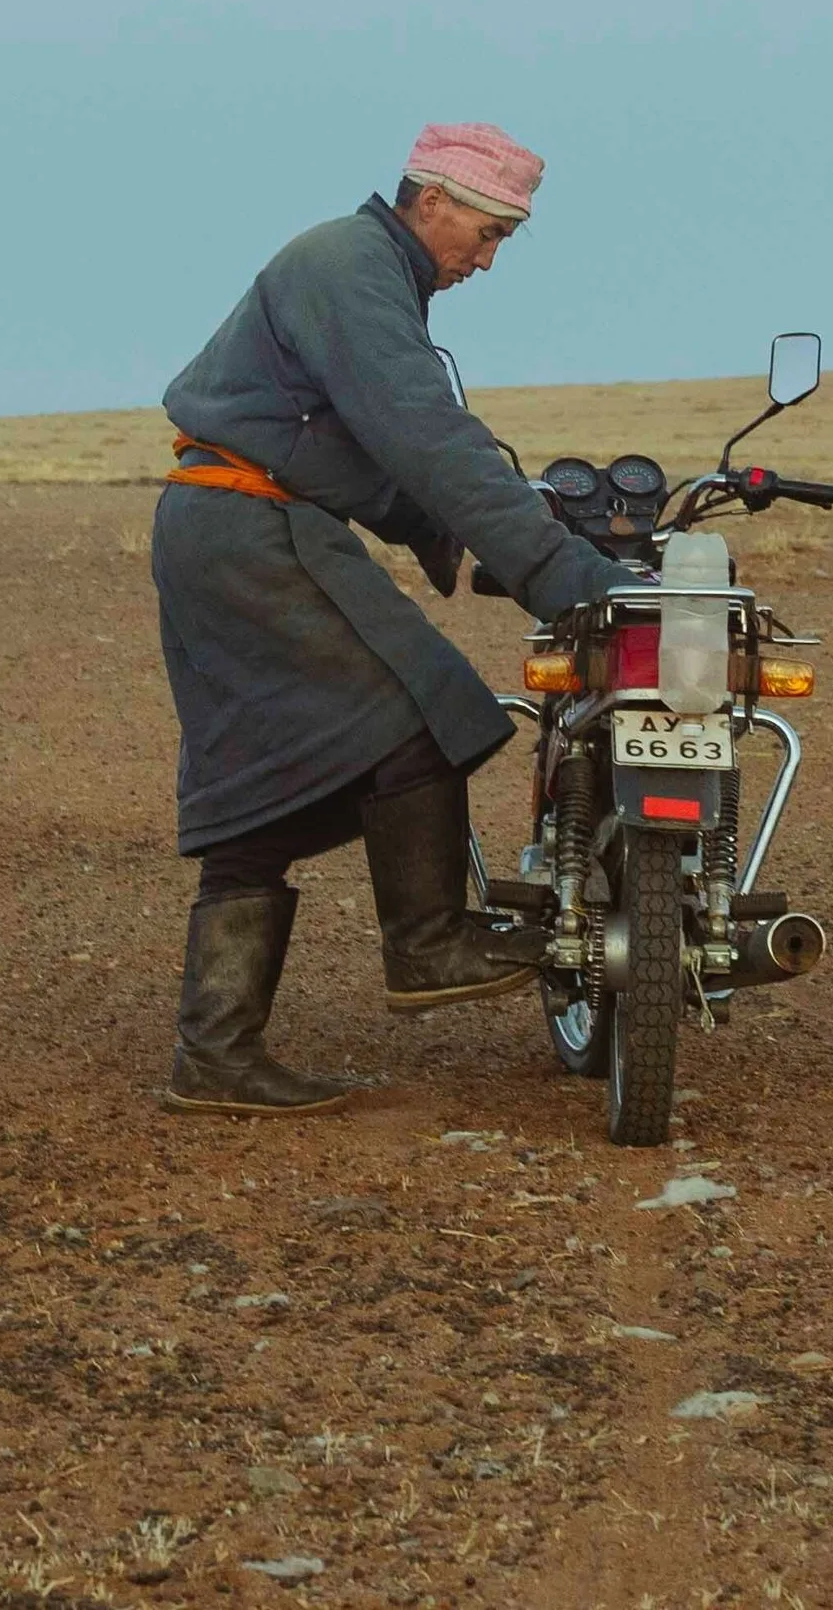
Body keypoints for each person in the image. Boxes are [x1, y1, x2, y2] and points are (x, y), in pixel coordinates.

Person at [151, 121, 616, 1115]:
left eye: (502, 241)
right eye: (486, 234)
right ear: (431, 201)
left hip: (226, 522)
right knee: (423, 705)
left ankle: (214, 1055)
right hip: (252, 527)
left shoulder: (360, 269)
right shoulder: (352, 265)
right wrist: (555, 570)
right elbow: (421, 430)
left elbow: (347, 439)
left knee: (254, 789)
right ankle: (429, 943)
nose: (486, 260)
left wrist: (444, 538)